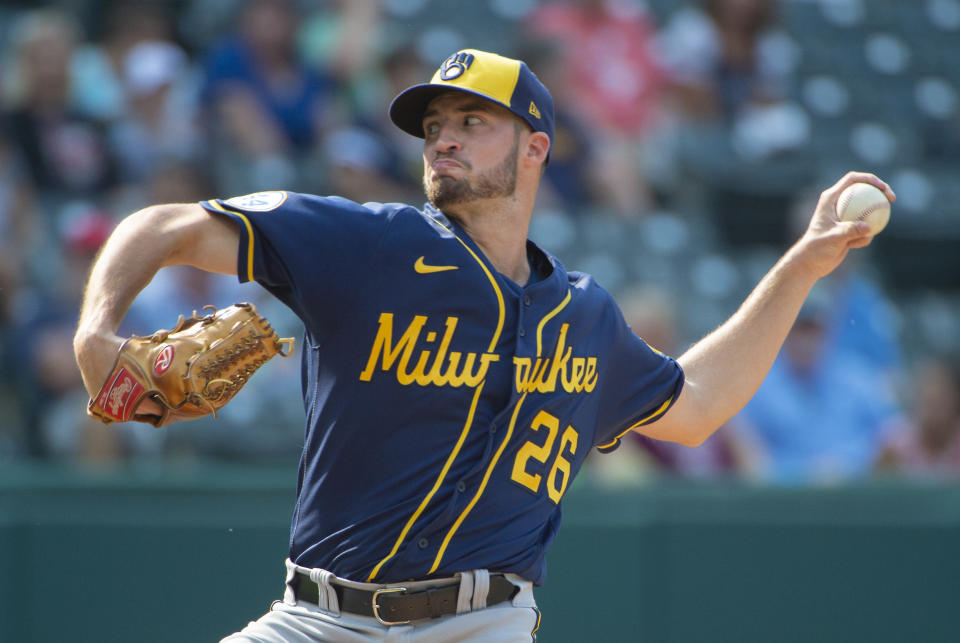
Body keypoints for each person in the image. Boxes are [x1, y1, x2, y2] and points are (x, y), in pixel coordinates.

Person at [73, 48, 893, 641]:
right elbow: (164, 225)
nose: (444, 139)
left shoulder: (582, 315)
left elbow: (699, 405)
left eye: (473, 121)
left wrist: (804, 262)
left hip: (481, 626)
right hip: (316, 618)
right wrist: (97, 329)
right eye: (434, 125)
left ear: (536, 147)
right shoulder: (368, 244)